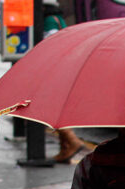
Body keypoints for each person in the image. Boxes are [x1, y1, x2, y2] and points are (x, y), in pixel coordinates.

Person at [42, 1, 86, 163]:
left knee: (49, 107)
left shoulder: (49, 21)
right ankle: (65, 148)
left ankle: (72, 140)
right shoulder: (59, 18)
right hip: (63, 68)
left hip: (53, 68)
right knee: (57, 106)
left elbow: (51, 42)